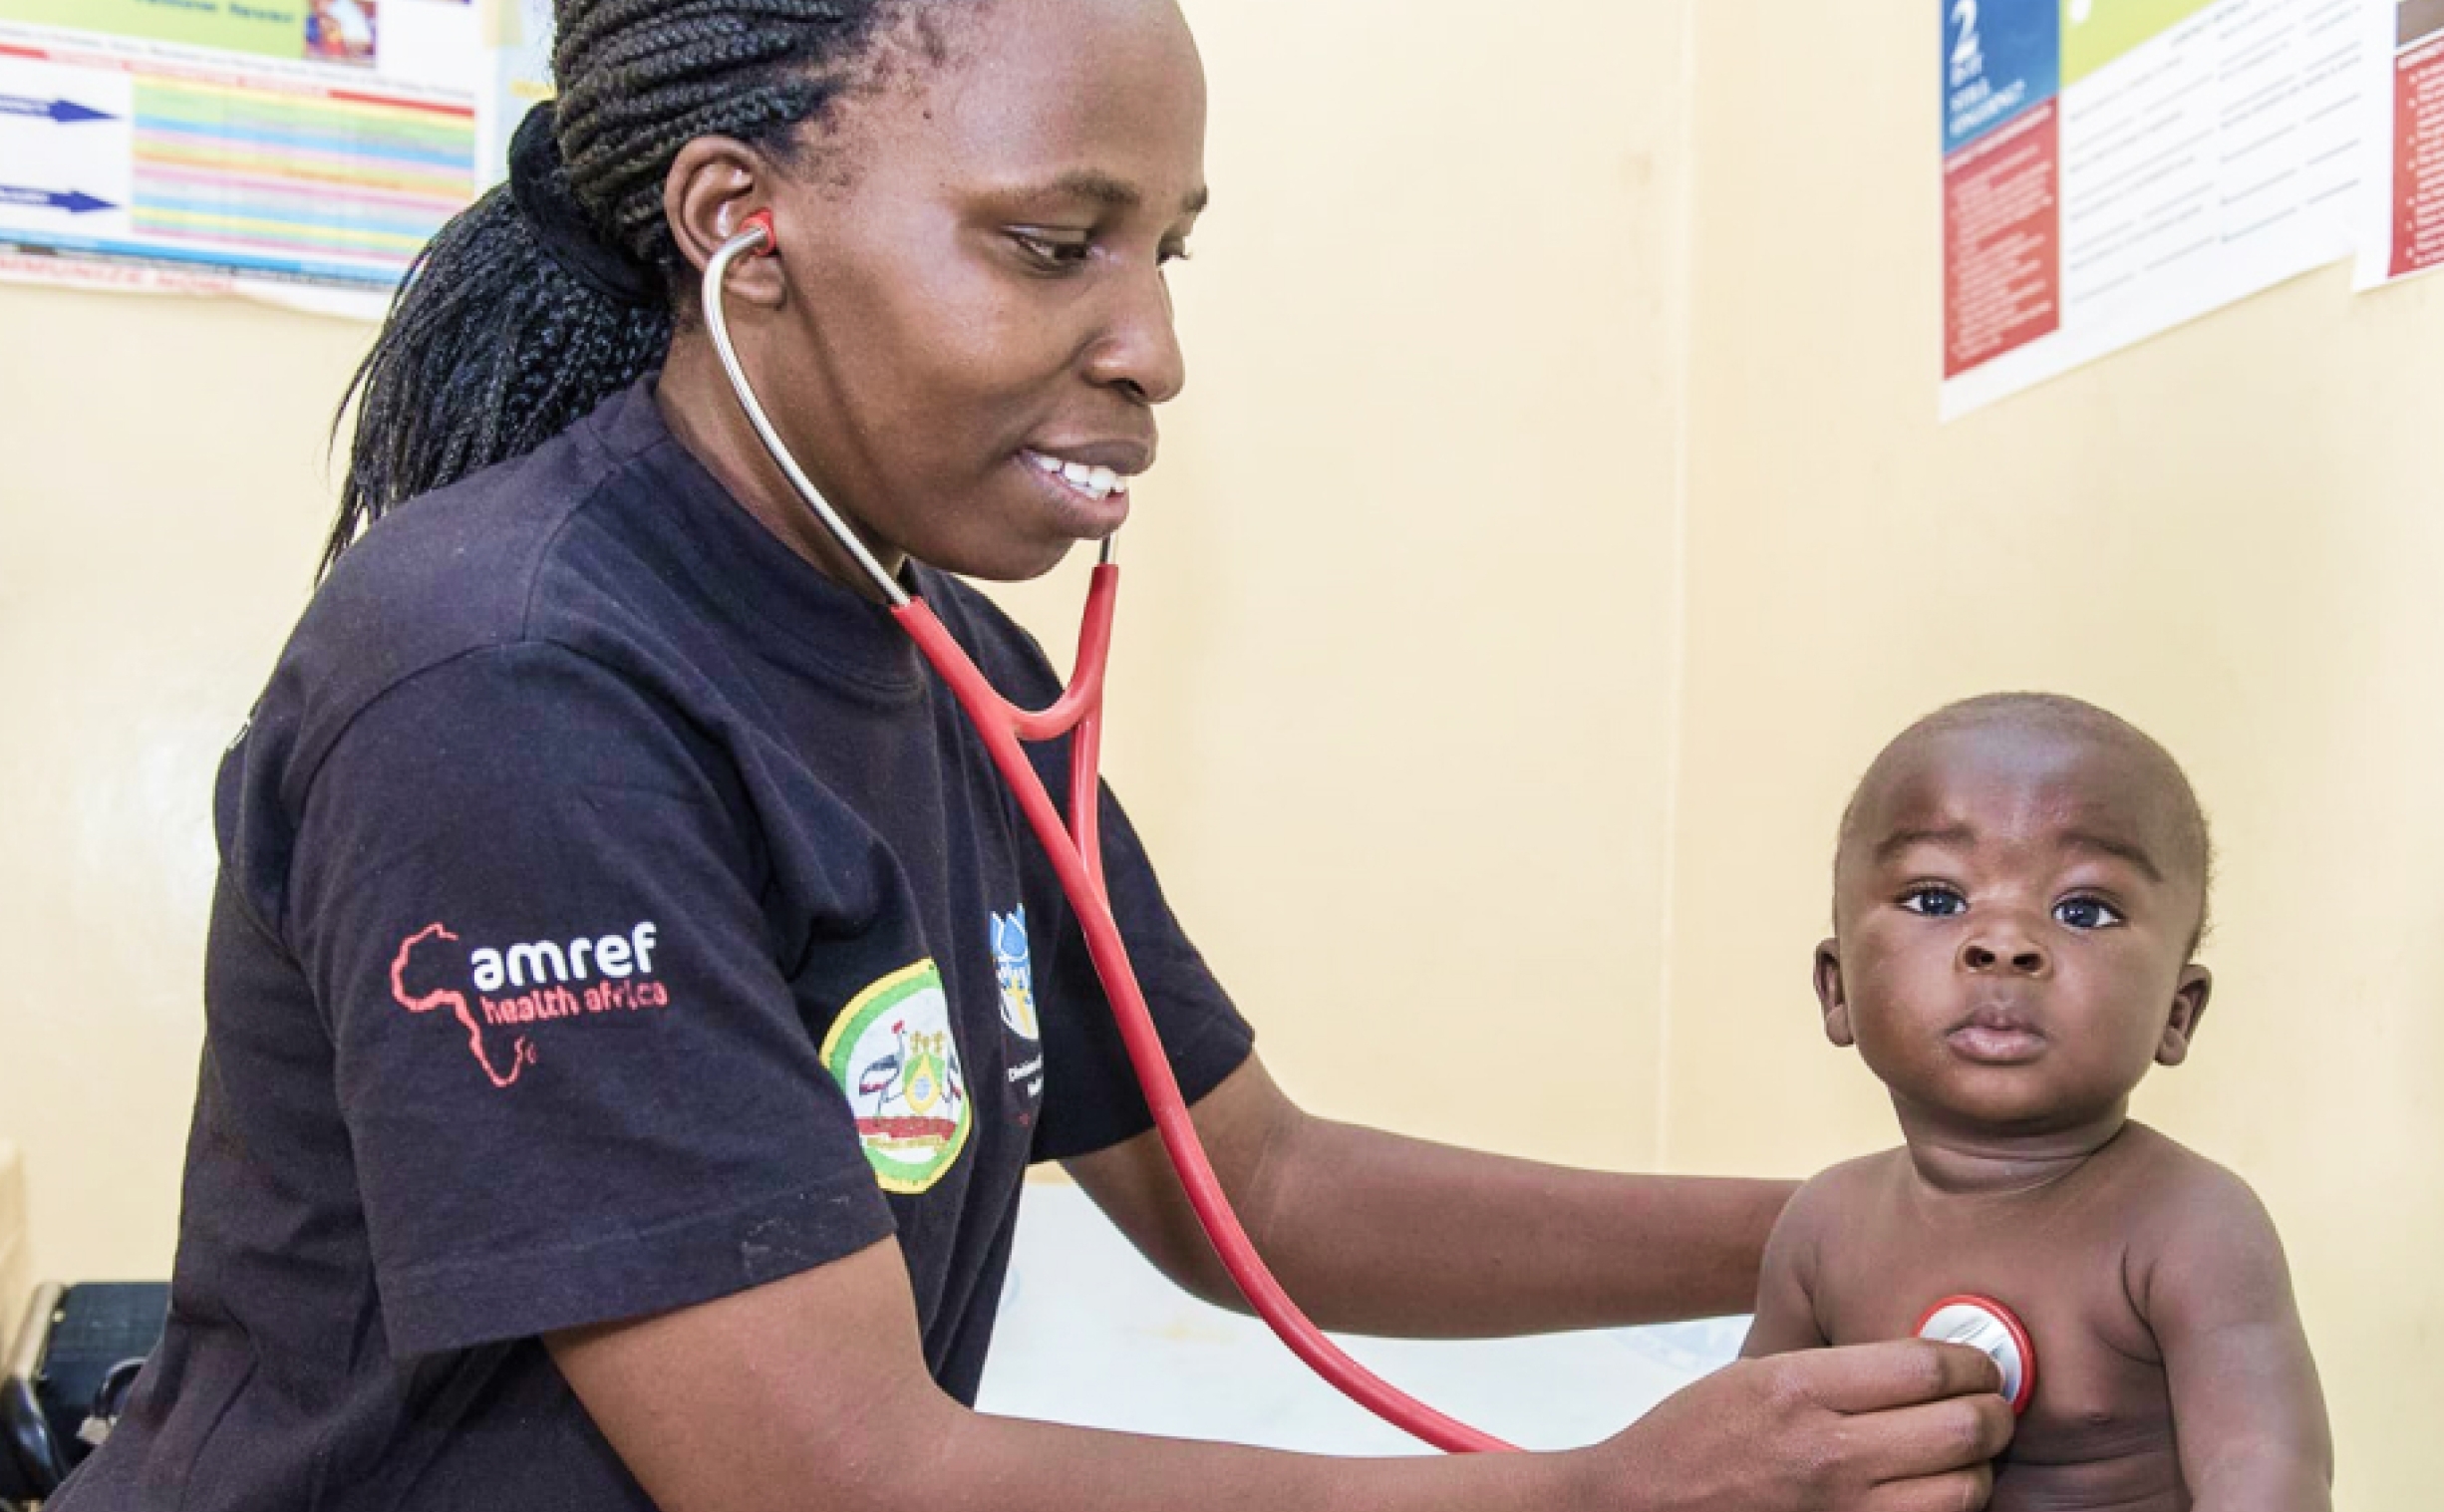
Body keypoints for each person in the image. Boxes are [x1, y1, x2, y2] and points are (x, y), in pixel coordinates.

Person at [52, 2, 2014, 1508]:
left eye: (1169, 246)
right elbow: (829, 1468)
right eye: (1055, 242)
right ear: (744, 224)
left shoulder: (941, 652)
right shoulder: (510, 682)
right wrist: (1584, 1488)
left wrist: (1842, 1216)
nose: (1152, 342)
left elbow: (1257, 1187)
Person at [1741, 694, 2332, 1511]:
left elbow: (2266, 1475)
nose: (2005, 942)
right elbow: (1743, 1461)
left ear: (2176, 1011)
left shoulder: (2191, 1228)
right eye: (1937, 898)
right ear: (1838, 990)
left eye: (2082, 909)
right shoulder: (1822, 1227)